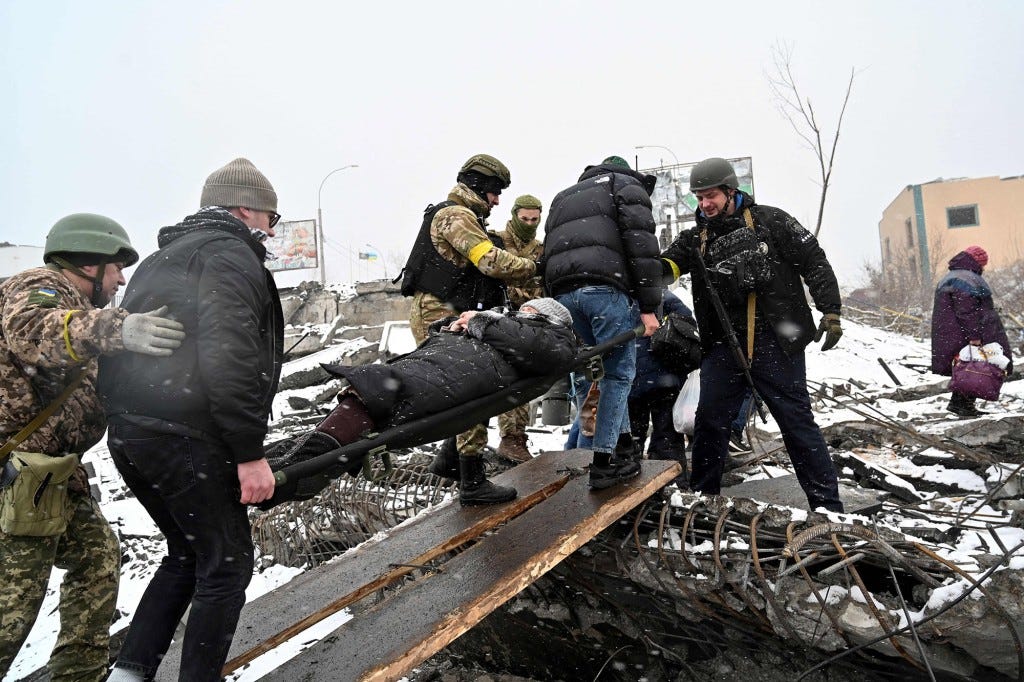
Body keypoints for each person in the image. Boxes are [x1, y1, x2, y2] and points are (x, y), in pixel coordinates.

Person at [99, 158, 284, 682]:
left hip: (134, 431)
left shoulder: (167, 256)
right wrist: (249, 453)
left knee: (185, 553)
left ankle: (130, 673)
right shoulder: (228, 255)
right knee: (226, 566)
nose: (272, 231)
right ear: (246, 208)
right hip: (183, 433)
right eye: (272, 218)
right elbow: (230, 357)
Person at [1, 214, 184, 682]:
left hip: (53, 476)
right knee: (13, 611)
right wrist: (117, 330)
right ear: (87, 263)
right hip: (16, 481)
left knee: (98, 559)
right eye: (115, 267)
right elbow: (32, 332)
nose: (121, 278)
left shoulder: (79, 311)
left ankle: (77, 675)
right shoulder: (39, 287)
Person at [659, 157, 844, 512]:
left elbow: (813, 260)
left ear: (731, 191)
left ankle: (828, 509)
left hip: (776, 342)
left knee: (796, 423)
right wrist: (640, 263)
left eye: (710, 195)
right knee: (710, 425)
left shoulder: (772, 222)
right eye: (698, 198)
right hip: (722, 348)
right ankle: (703, 504)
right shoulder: (695, 239)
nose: (704, 204)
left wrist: (830, 310)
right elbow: (665, 268)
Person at [267, 298, 578, 508]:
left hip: (446, 377)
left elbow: (547, 354)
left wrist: (485, 323)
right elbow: (442, 341)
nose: (516, 310)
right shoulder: (506, 326)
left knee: (376, 397)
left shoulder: (551, 335)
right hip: (432, 368)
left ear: (546, 317)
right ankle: (287, 468)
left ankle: (287, 475)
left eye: (527, 309)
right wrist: (452, 326)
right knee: (369, 398)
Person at [399, 154, 537, 502]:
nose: (497, 200)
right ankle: (472, 481)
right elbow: (490, 261)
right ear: (480, 186)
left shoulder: (463, 216)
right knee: (472, 388)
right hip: (439, 313)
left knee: (464, 389)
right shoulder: (456, 216)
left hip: (447, 310)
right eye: (495, 192)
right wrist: (534, 266)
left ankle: (451, 459)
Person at [542, 155, 662, 490]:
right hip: (604, 289)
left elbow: (547, 254)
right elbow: (642, 247)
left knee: (589, 374)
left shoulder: (564, 196)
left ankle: (623, 447)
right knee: (619, 375)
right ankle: (604, 463)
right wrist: (649, 307)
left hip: (563, 294)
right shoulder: (624, 185)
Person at [493, 194, 545, 463]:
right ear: (514, 215)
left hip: (528, 324)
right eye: (524, 219)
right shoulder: (497, 241)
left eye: (534, 219)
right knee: (501, 381)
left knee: (522, 380)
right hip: (498, 320)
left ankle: (515, 439)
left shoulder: (540, 249)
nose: (529, 223)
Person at [930, 245, 1013, 417]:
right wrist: (974, 336)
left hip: (951, 331)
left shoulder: (953, 276)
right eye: (983, 264)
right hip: (964, 331)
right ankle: (961, 405)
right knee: (975, 367)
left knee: (969, 367)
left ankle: (962, 404)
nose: (983, 268)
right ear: (977, 262)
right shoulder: (966, 279)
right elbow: (966, 311)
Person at [628, 289, 694, 485]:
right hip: (664, 377)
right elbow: (687, 322)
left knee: (632, 436)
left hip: (630, 379)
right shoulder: (661, 295)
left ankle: (631, 484)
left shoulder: (617, 298)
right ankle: (673, 483)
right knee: (667, 435)